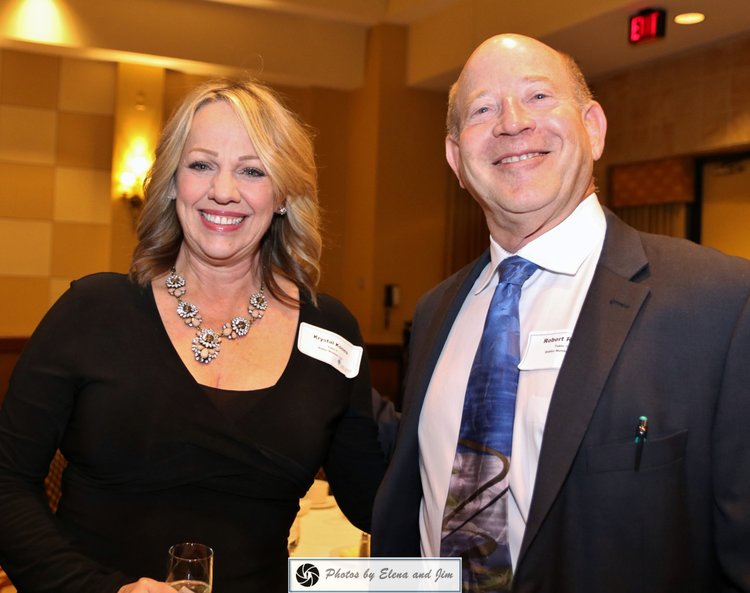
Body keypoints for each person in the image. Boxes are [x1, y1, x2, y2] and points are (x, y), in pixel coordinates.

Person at [371, 33, 750, 592]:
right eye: (482, 109)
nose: (512, 122)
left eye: (539, 97)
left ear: (593, 128)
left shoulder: (721, 304)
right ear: (456, 158)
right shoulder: (436, 312)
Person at [0, 79, 386, 593]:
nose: (222, 190)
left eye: (252, 170)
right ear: (171, 183)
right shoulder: (93, 311)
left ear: (284, 195)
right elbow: (6, 482)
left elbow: (375, 501)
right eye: (201, 165)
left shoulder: (330, 330)